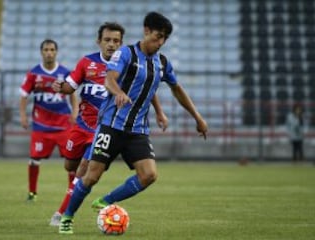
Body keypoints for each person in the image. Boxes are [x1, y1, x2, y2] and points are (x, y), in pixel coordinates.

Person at [58, 12, 208, 234]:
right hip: (110, 125)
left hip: (137, 130)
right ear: (146, 31)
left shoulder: (162, 62)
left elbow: (176, 89)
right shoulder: (125, 53)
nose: (160, 42)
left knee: (149, 175)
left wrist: (198, 117)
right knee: (91, 176)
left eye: (164, 38)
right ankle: (67, 218)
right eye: (158, 36)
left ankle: (106, 200)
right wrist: (118, 92)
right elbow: (109, 79)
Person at [50, 22, 168, 226]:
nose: (111, 45)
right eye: (107, 40)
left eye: (116, 41)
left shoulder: (128, 62)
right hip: (81, 127)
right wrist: (61, 86)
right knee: (70, 165)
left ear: (121, 43)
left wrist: (158, 111)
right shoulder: (87, 63)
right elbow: (70, 87)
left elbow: (149, 87)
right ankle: (73, 191)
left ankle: (62, 214)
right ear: (99, 41)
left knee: (84, 170)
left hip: (106, 127)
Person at [19, 39, 77, 202]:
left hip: (64, 125)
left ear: (56, 52)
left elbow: (73, 94)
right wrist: (23, 115)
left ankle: (71, 194)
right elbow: (24, 96)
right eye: (46, 50)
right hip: (41, 126)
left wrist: (75, 112)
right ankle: (32, 193)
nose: (49, 53)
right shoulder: (34, 74)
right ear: (41, 52)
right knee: (34, 159)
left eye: (52, 49)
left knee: (72, 161)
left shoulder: (65, 73)